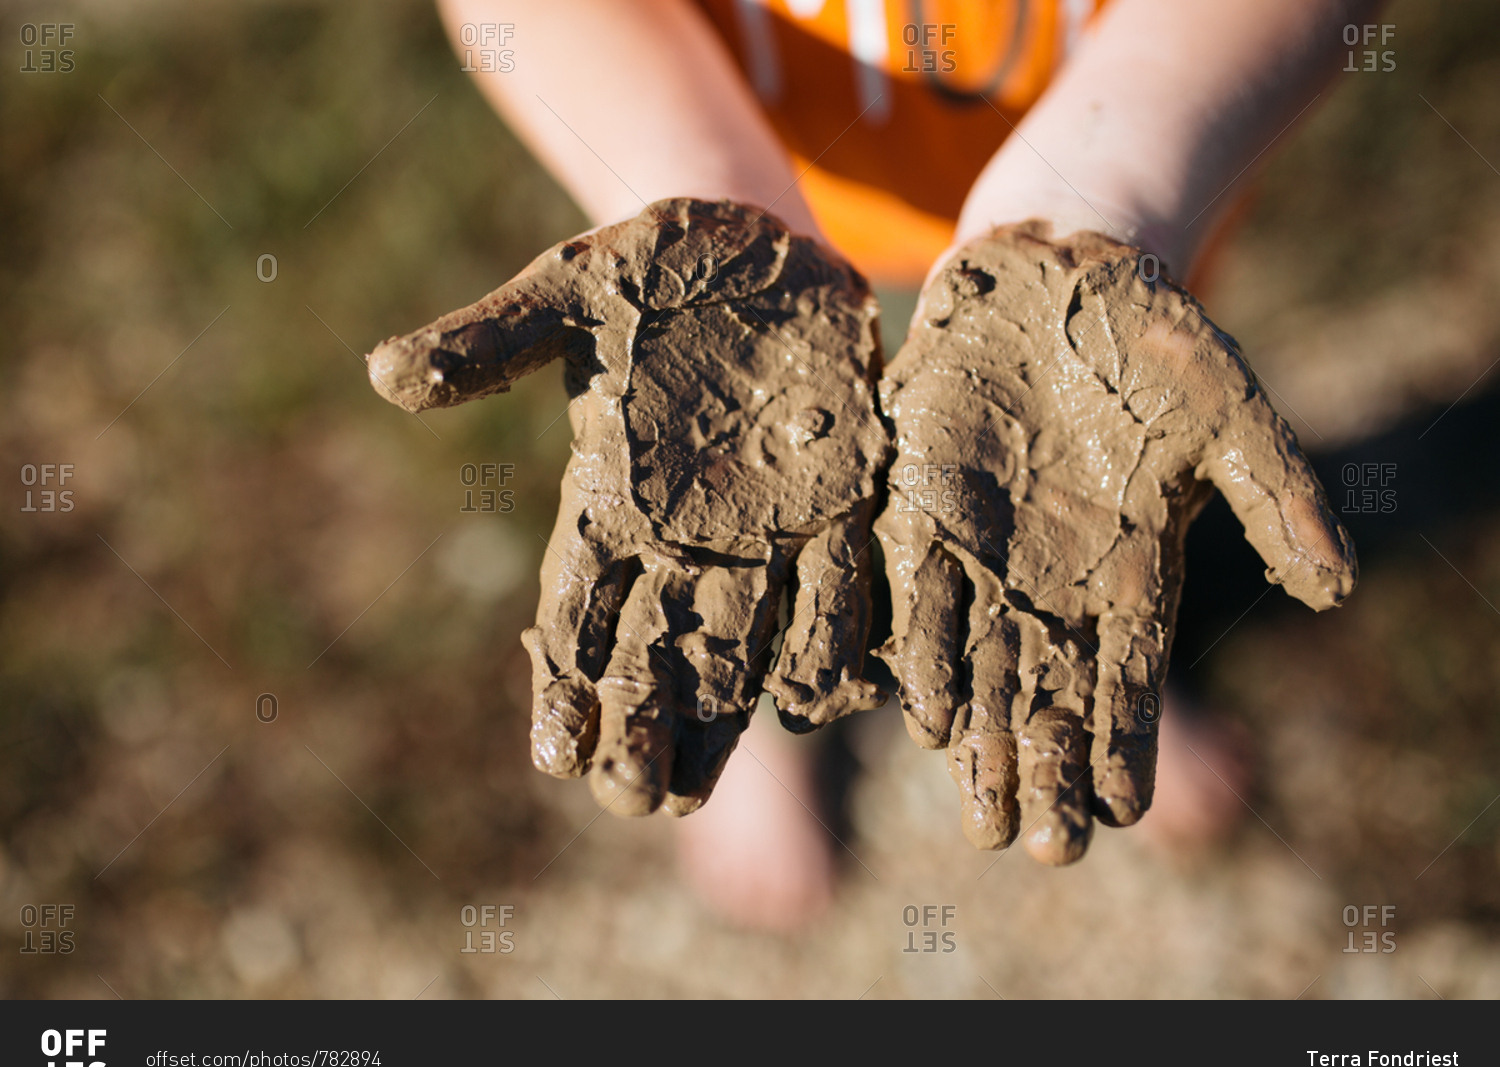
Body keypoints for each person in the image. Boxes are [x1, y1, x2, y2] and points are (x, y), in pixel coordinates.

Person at [435, 0, 1375, 929]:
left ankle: (1113, 648)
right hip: (752, 195)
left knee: (1104, 468)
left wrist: (1107, 182)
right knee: (739, 518)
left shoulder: (1110, 212)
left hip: (1122, 185)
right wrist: (698, 185)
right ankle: (761, 718)